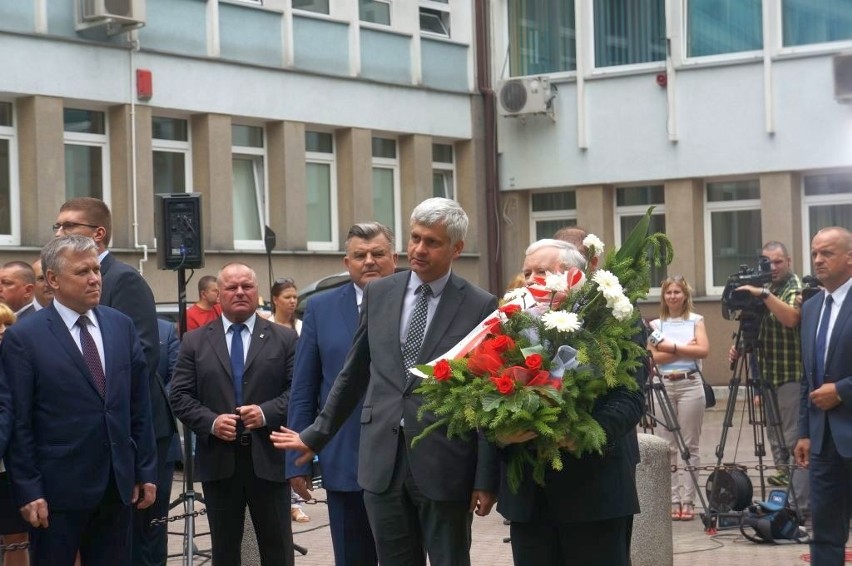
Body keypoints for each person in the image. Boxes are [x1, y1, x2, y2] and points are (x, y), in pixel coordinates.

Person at [272, 198, 499, 566]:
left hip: (445, 466)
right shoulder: (380, 294)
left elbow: (487, 396)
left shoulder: (479, 305)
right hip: (381, 463)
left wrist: (487, 477)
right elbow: (352, 374)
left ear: (457, 248)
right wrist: (315, 435)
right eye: (414, 238)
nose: (419, 250)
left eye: (432, 242)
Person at [2, 235, 157, 565]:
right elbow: (19, 421)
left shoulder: (120, 325)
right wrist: (29, 488)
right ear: (54, 280)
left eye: (96, 270)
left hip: (117, 487)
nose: (94, 279)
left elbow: (139, 406)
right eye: (82, 271)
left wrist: (145, 470)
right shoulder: (24, 337)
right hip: (57, 492)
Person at [497, 238, 646, 566]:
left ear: (575, 276)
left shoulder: (613, 320)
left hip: (596, 492)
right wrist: (500, 433)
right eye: (527, 272)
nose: (533, 279)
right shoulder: (507, 324)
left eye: (543, 271)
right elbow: (484, 394)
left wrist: (583, 432)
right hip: (531, 499)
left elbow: (630, 395)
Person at [54, 197, 176, 565]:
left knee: (140, 545)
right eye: (56, 227)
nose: (59, 232)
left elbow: (139, 359)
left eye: (68, 226)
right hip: (98, 442)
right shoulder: (63, 284)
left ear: (98, 234)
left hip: (139, 439)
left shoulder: (124, 280)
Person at [170, 262, 298, 566]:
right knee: (226, 550)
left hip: (269, 457)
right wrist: (211, 422)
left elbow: (300, 393)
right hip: (219, 460)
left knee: (276, 547)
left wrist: (266, 413)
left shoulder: (285, 339)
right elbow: (179, 396)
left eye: (247, 286)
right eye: (231, 287)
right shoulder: (195, 341)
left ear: (257, 293)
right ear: (219, 295)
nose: (240, 292)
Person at [286, 222, 397, 566]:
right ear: (346, 262)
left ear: (393, 258)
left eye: (378, 254)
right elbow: (304, 387)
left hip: (403, 460)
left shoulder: (414, 304)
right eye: (359, 255)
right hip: (345, 459)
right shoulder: (320, 308)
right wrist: (296, 461)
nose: (369, 261)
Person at [728, 241, 807, 513]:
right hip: (767, 375)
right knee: (777, 442)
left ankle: (801, 505)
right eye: (767, 262)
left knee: (794, 439)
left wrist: (762, 294)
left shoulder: (792, 286)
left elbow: (791, 318)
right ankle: (784, 499)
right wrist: (739, 347)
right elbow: (754, 324)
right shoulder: (764, 285)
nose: (772, 267)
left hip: (790, 375)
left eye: (777, 262)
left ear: (788, 261)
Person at [794, 226, 852, 565]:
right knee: (826, 534)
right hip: (822, 441)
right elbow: (808, 377)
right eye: (815, 253)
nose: (818, 260)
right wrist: (804, 430)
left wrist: (842, 391)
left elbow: (831, 386)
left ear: (849, 257)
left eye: (826, 253)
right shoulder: (812, 307)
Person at [647, 275, 710, 521]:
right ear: (663, 296)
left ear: (685, 295)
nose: (672, 296)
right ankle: (672, 499)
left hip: (690, 384)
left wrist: (670, 348)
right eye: (668, 292)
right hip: (663, 384)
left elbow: (703, 350)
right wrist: (684, 348)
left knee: (689, 445)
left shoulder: (696, 321)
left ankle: (689, 500)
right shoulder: (656, 325)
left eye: (677, 292)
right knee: (667, 447)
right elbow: (653, 357)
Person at [267, 277, 309, 523]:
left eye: (295, 297)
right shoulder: (266, 327)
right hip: (273, 401)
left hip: (298, 399)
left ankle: (296, 502)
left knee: (296, 450)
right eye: (287, 297)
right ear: (275, 300)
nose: (292, 301)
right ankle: (282, 501)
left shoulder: (303, 327)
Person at [0, 304, 27, 566]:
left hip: (10, 470)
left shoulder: (16, 363)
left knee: (16, 538)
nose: (3, 331)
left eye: (8, 325)